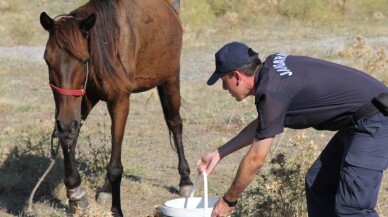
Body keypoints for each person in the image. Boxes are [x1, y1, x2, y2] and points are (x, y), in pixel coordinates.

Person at [197, 41, 388, 217]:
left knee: (352, 208)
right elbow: (263, 124)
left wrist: (228, 200)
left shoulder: (272, 92)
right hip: (361, 119)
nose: (224, 88)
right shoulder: (272, 70)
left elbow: (256, 159)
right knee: (319, 185)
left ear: (236, 76)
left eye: (223, 80)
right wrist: (219, 153)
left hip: (377, 118)